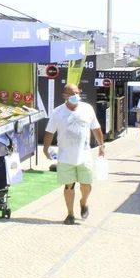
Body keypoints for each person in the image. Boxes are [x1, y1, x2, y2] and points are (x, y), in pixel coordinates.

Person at [43, 84, 105, 225]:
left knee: (86, 184)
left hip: (84, 155)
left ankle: (84, 201)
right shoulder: (58, 112)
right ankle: (70, 214)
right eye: (72, 93)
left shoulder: (87, 109)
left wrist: (102, 145)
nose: (75, 96)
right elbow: (49, 131)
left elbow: (96, 128)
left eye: (77, 92)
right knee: (69, 186)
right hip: (65, 156)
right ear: (64, 95)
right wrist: (46, 148)